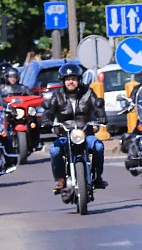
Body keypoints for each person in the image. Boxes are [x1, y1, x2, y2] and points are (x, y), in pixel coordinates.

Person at [44, 63, 107, 192]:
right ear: (63, 81)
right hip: (65, 134)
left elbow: (97, 107)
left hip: (86, 133)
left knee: (98, 147)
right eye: (67, 79)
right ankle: (60, 179)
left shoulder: (88, 93)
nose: (70, 82)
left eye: (73, 79)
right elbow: (49, 110)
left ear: (79, 79)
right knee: (54, 151)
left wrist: (102, 116)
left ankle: (97, 177)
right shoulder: (57, 95)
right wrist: (46, 119)